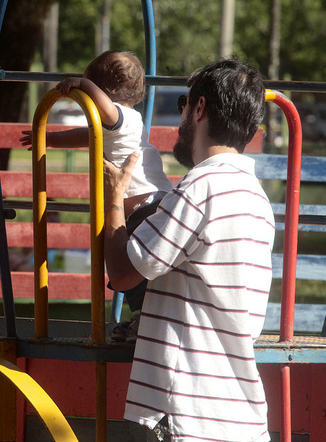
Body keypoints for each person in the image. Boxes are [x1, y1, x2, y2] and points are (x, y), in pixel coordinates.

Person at [103, 59, 274, 441]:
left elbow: (124, 271)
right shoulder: (256, 197)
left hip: (184, 410)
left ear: (199, 109)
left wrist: (113, 199)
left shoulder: (200, 187)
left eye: (184, 103)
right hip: (239, 416)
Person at [20, 50, 173, 339]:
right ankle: (145, 317)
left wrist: (81, 85)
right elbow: (85, 134)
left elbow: (103, 111)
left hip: (145, 207)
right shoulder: (120, 122)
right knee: (138, 267)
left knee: (135, 265)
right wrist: (51, 139)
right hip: (145, 205)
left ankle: (144, 317)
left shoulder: (121, 117)